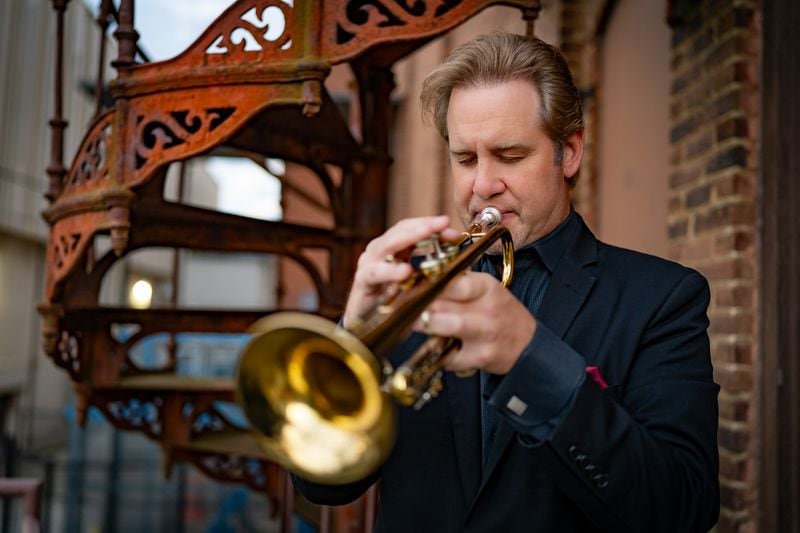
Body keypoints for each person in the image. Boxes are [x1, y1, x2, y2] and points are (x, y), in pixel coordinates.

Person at [293, 31, 720, 532]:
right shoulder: (405, 294)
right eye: (465, 159)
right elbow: (323, 487)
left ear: (570, 153)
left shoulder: (661, 297)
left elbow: (683, 508)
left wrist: (532, 357)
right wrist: (352, 341)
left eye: (510, 156)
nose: (481, 185)